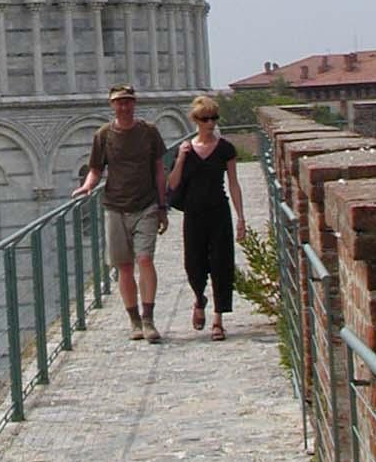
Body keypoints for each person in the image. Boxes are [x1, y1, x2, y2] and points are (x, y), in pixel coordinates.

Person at [72, 83, 167, 342]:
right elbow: (95, 169)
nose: (124, 106)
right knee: (124, 267)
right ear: (112, 105)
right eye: (119, 101)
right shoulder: (103, 135)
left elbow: (159, 169)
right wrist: (87, 186)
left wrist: (162, 204)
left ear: (134, 103)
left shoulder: (149, 132)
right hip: (115, 206)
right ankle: (134, 321)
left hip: (146, 204)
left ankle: (148, 319)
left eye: (128, 101)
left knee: (145, 259)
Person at [166, 95, 246, 340]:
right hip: (193, 213)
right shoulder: (187, 150)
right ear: (196, 120)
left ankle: (218, 319)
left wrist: (241, 217)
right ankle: (199, 298)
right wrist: (180, 157)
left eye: (214, 118)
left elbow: (233, 183)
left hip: (218, 211)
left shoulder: (225, 149)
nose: (210, 123)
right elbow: (172, 184)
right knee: (194, 264)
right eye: (205, 119)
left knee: (222, 264)